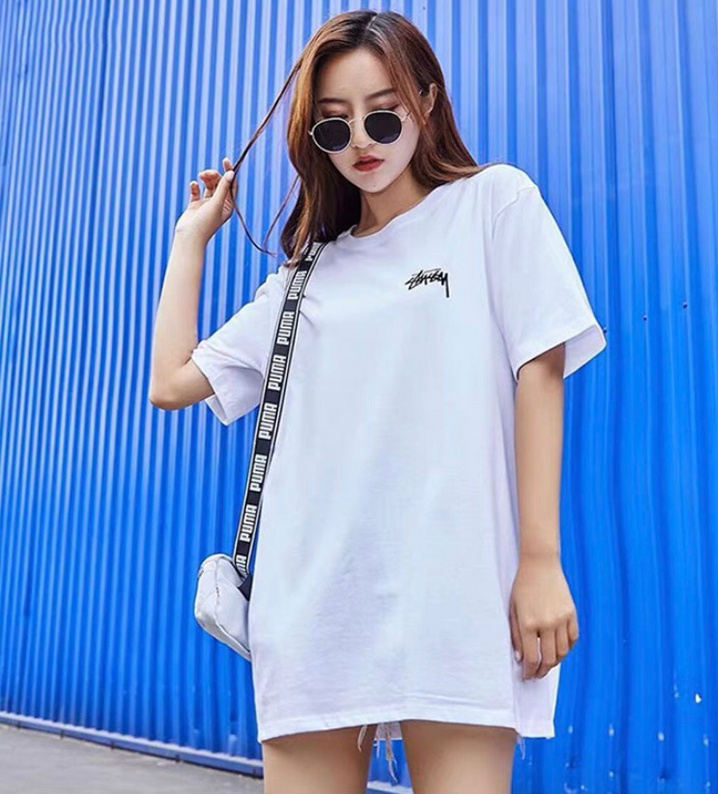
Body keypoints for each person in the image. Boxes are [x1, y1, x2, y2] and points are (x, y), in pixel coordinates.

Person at [149, 9, 606, 794]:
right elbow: (171, 382)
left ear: (426, 101)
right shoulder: (304, 278)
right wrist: (191, 237)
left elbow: (542, 368)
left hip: (456, 599)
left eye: (383, 114)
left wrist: (539, 560)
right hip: (314, 612)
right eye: (335, 126)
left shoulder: (492, 205)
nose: (362, 140)